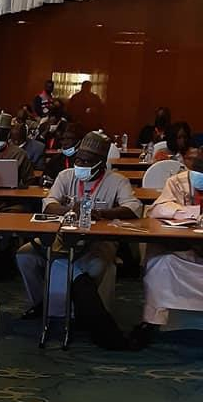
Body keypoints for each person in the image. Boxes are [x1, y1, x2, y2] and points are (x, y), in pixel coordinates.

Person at [16, 132, 142, 349]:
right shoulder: (66, 176)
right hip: (60, 237)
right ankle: (43, 303)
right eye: (78, 160)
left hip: (99, 241)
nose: (80, 165)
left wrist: (102, 213)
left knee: (95, 265)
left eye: (87, 162)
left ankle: (84, 312)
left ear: (101, 163)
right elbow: (49, 204)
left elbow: (133, 208)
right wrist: (69, 210)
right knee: (25, 255)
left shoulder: (117, 180)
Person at [133, 153, 203, 344]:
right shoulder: (178, 181)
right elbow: (159, 208)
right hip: (185, 249)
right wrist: (189, 212)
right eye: (198, 170)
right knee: (160, 264)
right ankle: (151, 322)